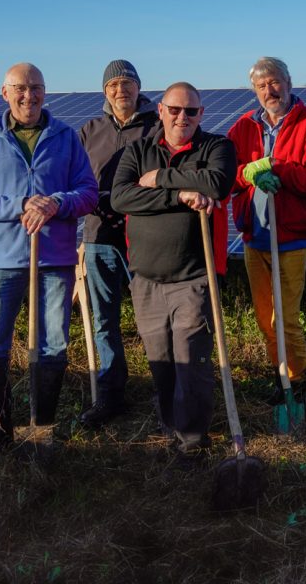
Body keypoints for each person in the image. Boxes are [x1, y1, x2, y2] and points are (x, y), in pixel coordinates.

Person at [0, 62, 98, 449]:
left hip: (54, 260)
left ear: (45, 92)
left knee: (53, 344)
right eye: (20, 88)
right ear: (5, 93)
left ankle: (42, 428)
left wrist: (55, 202)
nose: (28, 95)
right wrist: (20, 203)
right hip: (3, 261)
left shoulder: (66, 137)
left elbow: (87, 192)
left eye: (36, 87)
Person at [111, 82, 236, 459]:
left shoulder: (216, 147)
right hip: (145, 277)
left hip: (194, 276)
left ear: (202, 114)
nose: (183, 117)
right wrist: (180, 195)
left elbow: (216, 182)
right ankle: (172, 427)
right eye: (175, 110)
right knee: (161, 360)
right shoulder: (138, 150)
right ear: (161, 110)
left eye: (191, 111)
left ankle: (194, 440)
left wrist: (160, 180)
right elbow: (121, 196)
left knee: (191, 360)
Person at [228, 57, 306, 403]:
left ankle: (297, 383)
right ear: (254, 90)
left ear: (288, 83)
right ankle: (280, 375)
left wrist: (277, 166)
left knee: (286, 317)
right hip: (254, 235)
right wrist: (248, 172)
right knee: (264, 318)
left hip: (292, 236)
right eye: (262, 86)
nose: (269, 90)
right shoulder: (243, 126)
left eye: (274, 82)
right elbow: (226, 174)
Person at [77, 59, 161, 428]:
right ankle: (110, 394)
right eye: (113, 85)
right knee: (103, 321)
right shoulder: (89, 130)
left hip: (142, 235)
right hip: (97, 237)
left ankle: (165, 393)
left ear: (138, 87)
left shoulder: (157, 126)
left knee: (154, 319)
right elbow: (74, 177)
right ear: (105, 91)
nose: (120, 90)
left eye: (127, 83)